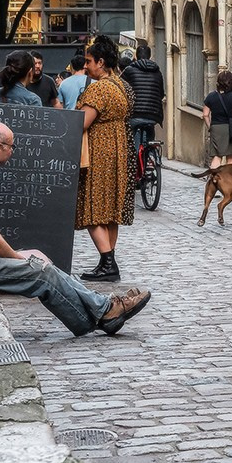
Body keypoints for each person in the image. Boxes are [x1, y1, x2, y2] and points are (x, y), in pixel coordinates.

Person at [0, 121, 151, 336]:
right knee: (39, 271)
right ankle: (104, 311)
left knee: (41, 265)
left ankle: (103, 310)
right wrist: (19, 259)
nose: (12, 151)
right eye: (11, 146)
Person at [76, 35, 138, 283]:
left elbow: (82, 122)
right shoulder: (122, 85)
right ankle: (106, 261)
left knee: (93, 210)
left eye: (90, 61)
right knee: (111, 211)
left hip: (100, 151)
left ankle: (108, 262)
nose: (87, 66)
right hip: (120, 149)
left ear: (101, 62)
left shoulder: (100, 87)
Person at [121, 45, 166, 155]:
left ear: (136, 56)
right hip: (154, 114)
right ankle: (151, 157)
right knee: (150, 133)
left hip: (135, 114)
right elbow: (161, 94)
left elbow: (120, 89)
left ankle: (135, 159)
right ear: (150, 56)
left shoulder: (129, 70)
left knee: (130, 138)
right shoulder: (157, 72)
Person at [203, 71, 232, 169]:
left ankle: (213, 179)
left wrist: (210, 126)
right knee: (231, 157)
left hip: (216, 128)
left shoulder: (211, 96)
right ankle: (229, 181)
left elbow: (205, 115)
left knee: (217, 156)